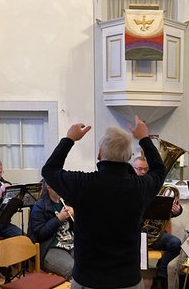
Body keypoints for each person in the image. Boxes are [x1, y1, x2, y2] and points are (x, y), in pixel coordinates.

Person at [41, 115, 166, 289]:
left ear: (99, 155)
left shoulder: (82, 184)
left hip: (87, 279)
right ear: (129, 156)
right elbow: (160, 170)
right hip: (127, 280)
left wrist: (69, 139)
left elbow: (49, 170)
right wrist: (144, 138)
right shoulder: (140, 187)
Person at [133, 156, 182, 289]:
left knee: (176, 243)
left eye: (145, 169)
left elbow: (171, 206)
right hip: (134, 234)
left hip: (154, 233)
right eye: (139, 169)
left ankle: (161, 274)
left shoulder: (154, 183)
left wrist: (176, 211)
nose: (142, 172)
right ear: (132, 169)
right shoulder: (128, 186)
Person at [27, 179, 75, 279]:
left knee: (89, 264)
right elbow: (40, 234)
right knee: (72, 269)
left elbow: (78, 228)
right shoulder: (39, 206)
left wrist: (75, 215)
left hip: (70, 243)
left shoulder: (67, 202)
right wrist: (58, 219)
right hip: (49, 247)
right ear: (48, 187)